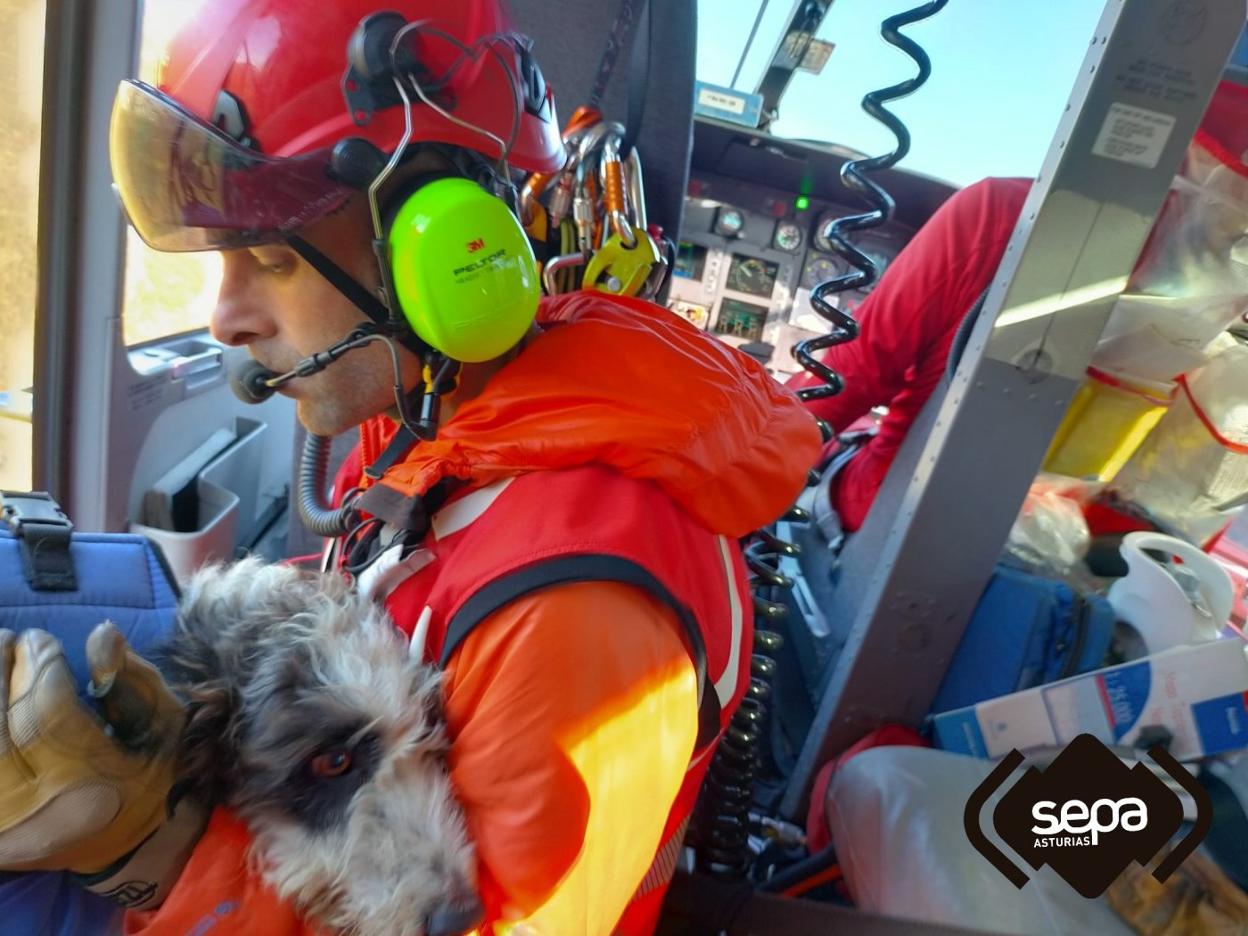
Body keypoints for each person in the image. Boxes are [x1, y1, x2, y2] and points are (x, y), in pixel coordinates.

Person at [0, 1, 820, 934]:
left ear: (445, 246)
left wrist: (148, 856)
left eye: (267, 257)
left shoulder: (580, 601)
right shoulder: (438, 429)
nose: (225, 318)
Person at [788, 78, 1248, 540]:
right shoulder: (1233, 320)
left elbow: (835, 387)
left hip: (880, 527)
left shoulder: (1002, 215)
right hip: (1088, 558)